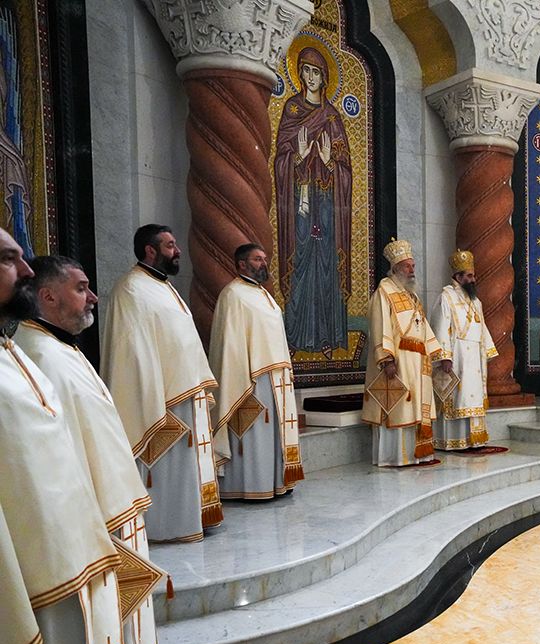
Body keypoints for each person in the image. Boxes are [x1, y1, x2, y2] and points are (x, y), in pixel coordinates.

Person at [0, 228, 147, 644]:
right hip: (30, 574)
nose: (25, 270)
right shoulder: (33, 350)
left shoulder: (22, 351)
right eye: (9, 259)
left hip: (70, 555)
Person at [102, 224, 223, 542]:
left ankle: (194, 517)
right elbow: (131, 353)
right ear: (150, 250)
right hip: (160, 400)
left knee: (188, 465)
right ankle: (168, 526)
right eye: (170, 245)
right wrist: (152, 397)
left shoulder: (162, 286)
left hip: (186, 392)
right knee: (168, 465)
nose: (178, 251)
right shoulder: (131, 290)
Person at [209, 243, 304, 499]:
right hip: (250, 378)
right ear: (242, 264)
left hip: (275, 377)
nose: (264, 263)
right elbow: (230, 344)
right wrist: (242, 376)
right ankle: (250, 486)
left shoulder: (264, 295)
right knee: (253, 433)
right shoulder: (233, 294)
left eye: (264, 259)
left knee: (273, 434)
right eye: (257, 259)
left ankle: (276, 482)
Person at [274, 46, 353, 357]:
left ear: (325, 77)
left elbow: (345, 168)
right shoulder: (292, 110)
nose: (310, 77)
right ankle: (296, 337)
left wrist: (330, 162)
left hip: (327, 205)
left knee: (326, 268)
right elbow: (280, 158)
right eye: (305, 70)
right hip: (300, 204)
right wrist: (298, 157)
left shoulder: (332, 117)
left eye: (316, 72)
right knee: (301, 264)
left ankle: (327, 338)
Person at [362, 238, 443, 465]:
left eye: (413, 266)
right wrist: (387, 359)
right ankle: (396, 457)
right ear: (396, 268)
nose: (412, 270)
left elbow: (423, 327)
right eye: (408, 266)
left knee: (416, 408)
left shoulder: (412, 296)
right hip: (398, 362)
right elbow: (380, 327)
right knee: (399, 407)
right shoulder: (384, 292)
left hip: (418, 363)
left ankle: (417, 455)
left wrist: (437, 354)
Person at [432, 249, 498, 450]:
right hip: (457, 355)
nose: (473, 280)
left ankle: (473, 439)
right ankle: (454, 440)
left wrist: (488, 350)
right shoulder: (446, 297)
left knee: (473, 395)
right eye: (469, 276)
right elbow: (440, 325)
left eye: (473, 275)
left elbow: (482, 327)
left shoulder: (476, 301)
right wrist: (445, 356)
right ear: (458, 277)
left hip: (475, 357)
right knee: (457, 397)